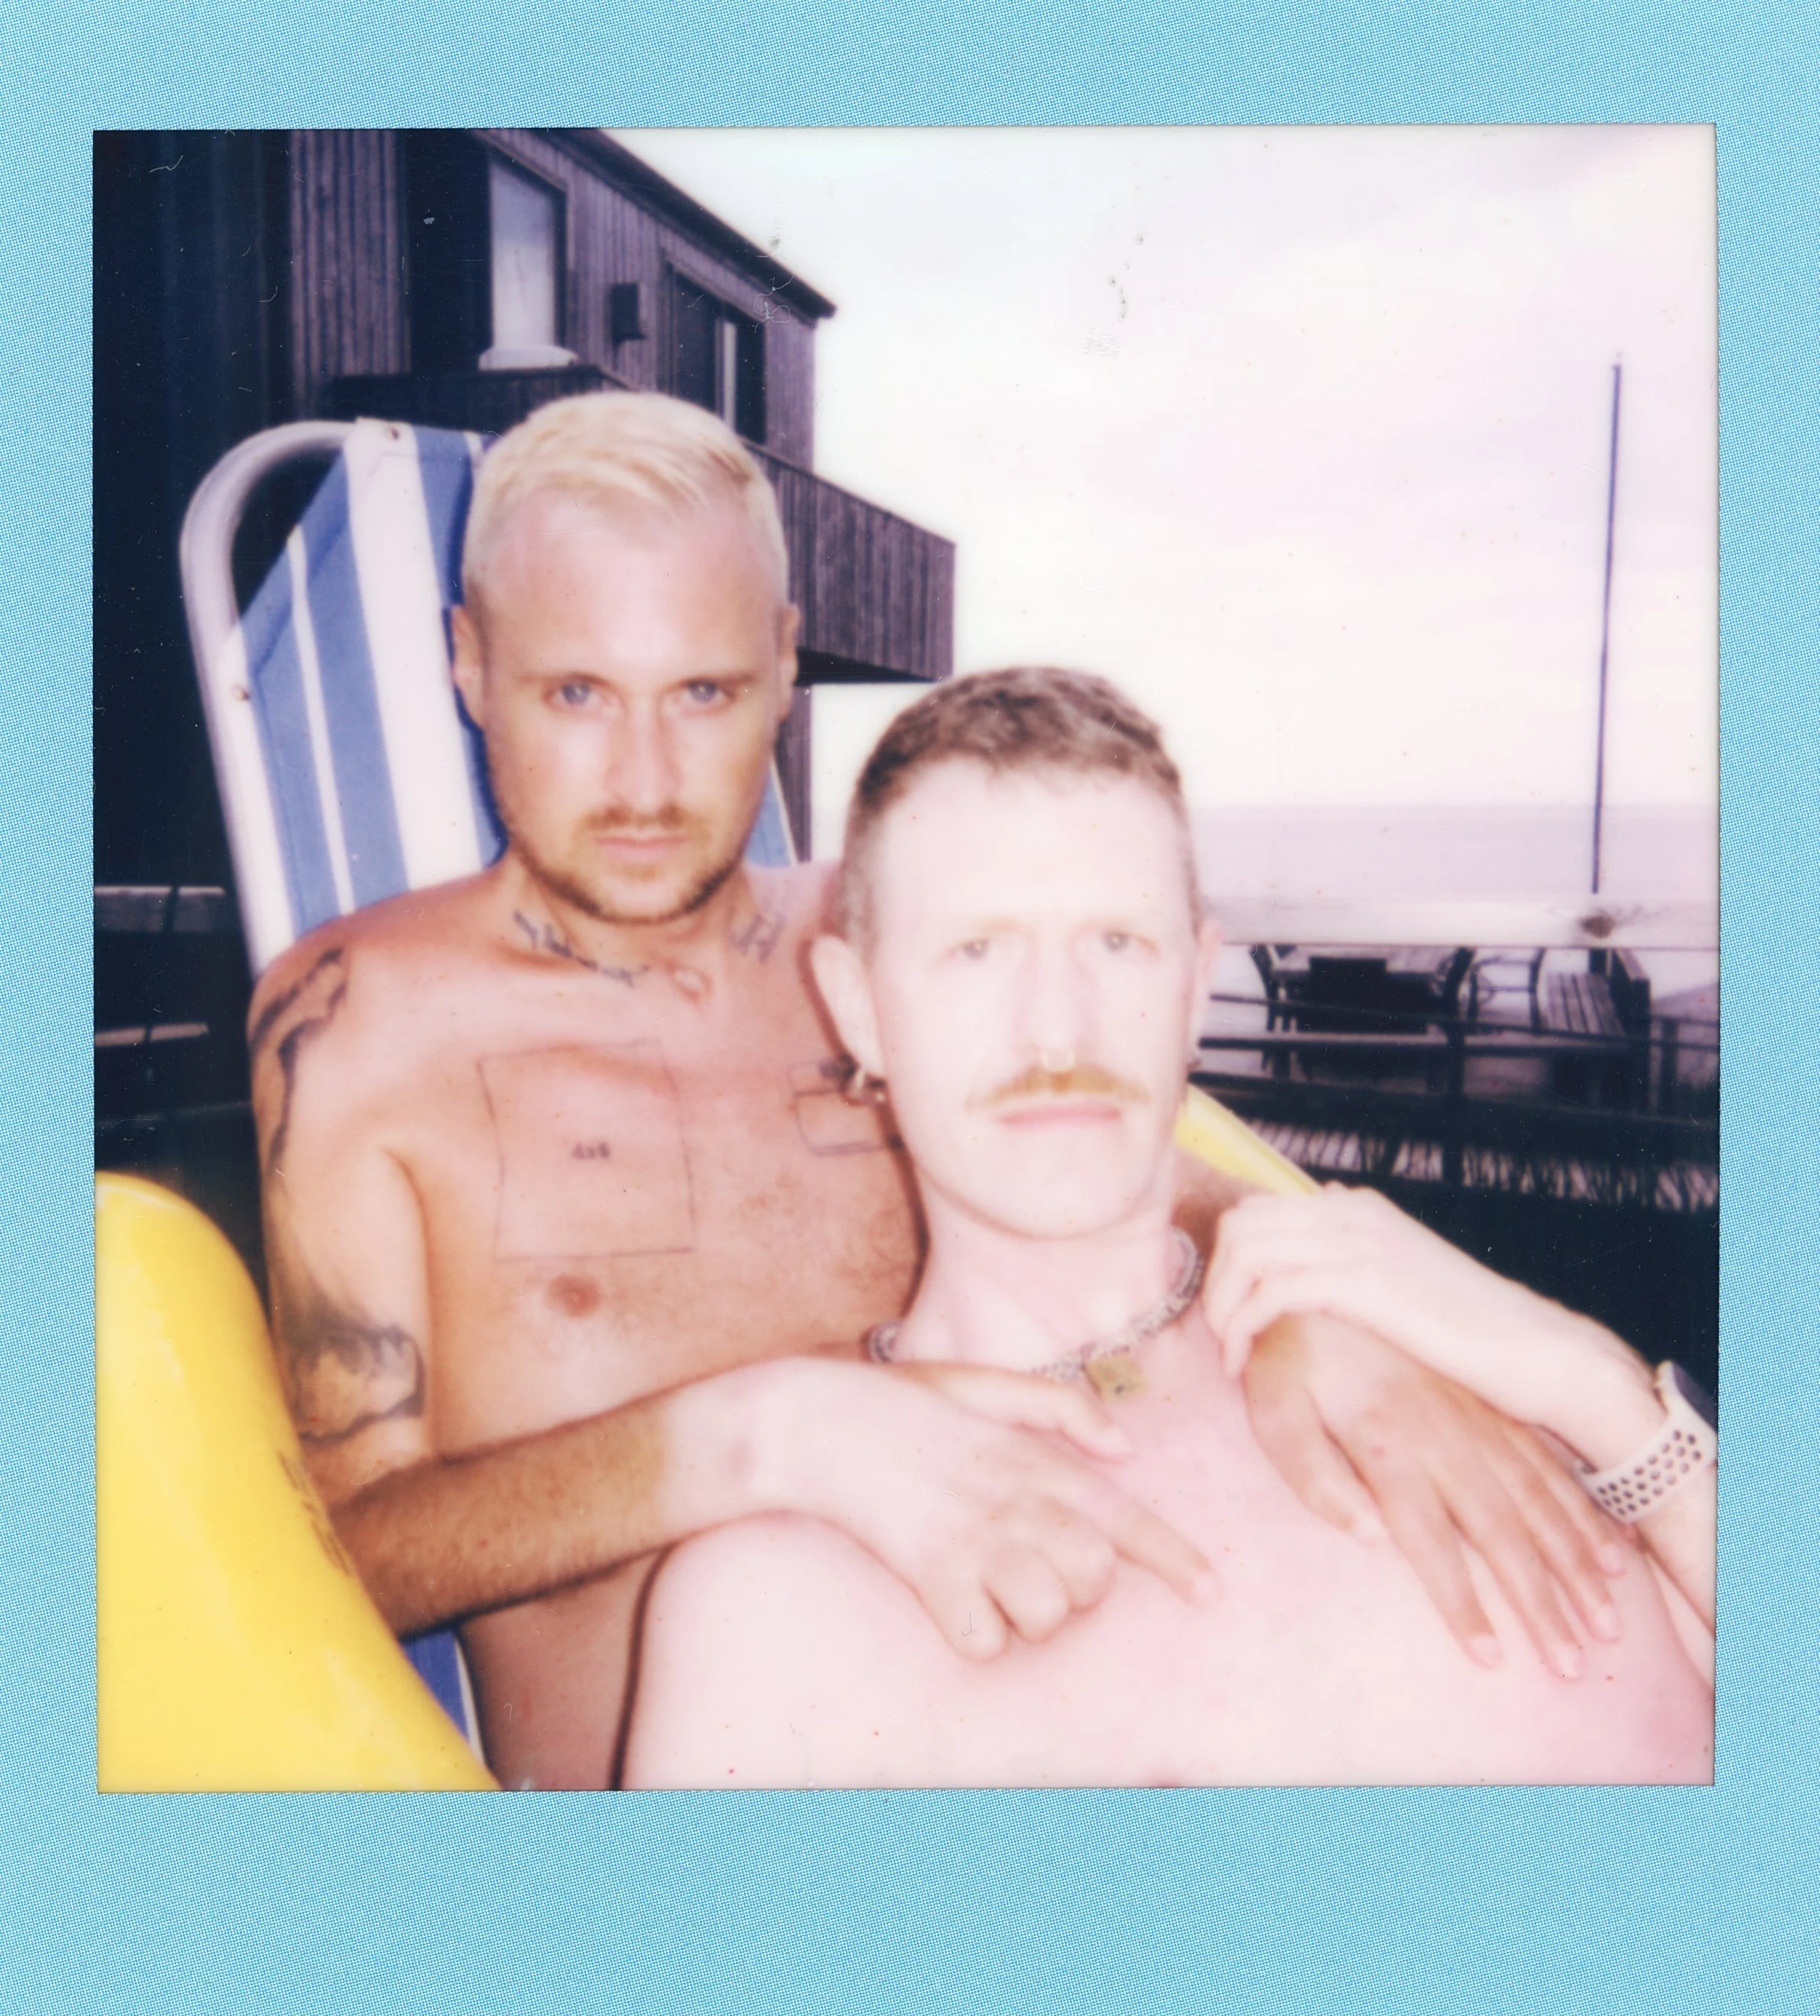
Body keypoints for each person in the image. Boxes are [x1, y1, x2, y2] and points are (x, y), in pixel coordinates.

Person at [250, 392, 1633, 1791]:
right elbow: (339, 1555)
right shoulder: (359, 1032)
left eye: (706, 693)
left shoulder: (910, 949)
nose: (646, 783)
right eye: (575, 696)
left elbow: (1154, 1179)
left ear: (786, 664)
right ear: (468, 663)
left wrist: (1326, 1317)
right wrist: (763, 1436)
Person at [620, 670, 1712, 1787]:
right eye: (976, 952)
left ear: (1197, 986)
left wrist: (1587, 1382)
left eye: (1118, 946)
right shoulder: (773, 1607)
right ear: (859, 1010)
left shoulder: (1457, 1377)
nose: (1056, 1029)